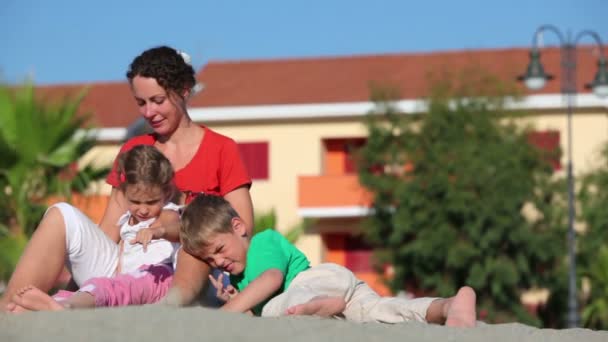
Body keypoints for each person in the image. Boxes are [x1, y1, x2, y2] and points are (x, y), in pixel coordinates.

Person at [0, 45, 253, 311]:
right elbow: (110, 229)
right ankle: (12, 305)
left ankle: (166, 307)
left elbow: (242, 225)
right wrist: (80, 283)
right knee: (60, 213)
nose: (148, 112)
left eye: (158, 100)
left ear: (184, 91)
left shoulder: (221, 149)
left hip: (180, 275)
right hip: (125, 269)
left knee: (195, 235)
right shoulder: (135, 151)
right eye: (141, 103)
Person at [179, 194, 477, 327]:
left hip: (315, 282)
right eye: (209, 259)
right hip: (340, 291)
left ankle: (314, 306)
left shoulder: (261, 242)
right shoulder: (238, 278)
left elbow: (271, 279)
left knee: (276, 306)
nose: (218, 261)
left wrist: (228, 310)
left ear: (238, 227)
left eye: (219, 249)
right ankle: (449, 306)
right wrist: (239, 300)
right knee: (385, 312)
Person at [8, 145, 181, 311]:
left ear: (166, 193)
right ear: (124, 193)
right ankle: (45, 305)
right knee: (62, 210)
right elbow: (122, 258)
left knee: (104, 287)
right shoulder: (128, 220)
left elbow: (176, 227)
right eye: (135, 202)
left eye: (151, 202)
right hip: (120, 281)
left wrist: (157, 231)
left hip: (153, 279)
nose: (143, 209)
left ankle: (66, 307)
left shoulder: (166, 213)